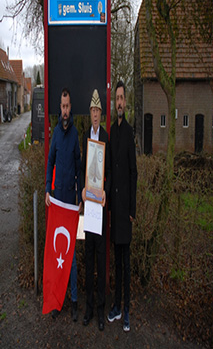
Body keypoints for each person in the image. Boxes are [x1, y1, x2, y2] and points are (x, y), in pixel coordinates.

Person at [45, 87, 82, 321]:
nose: (65, 110)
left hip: (71, 203)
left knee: (72, 256)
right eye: (63, 106)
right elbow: (50, 162)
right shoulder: (56, 134)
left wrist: (79, 197)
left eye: (68, 106)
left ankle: (75, 299)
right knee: (56, 253)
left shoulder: (76, 134)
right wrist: (48, 189)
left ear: (71, 107)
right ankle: (57, 302)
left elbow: (78, 165)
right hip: (57, 201)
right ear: (59, 108)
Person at [107, 80, 137, 332]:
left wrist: (132, 210)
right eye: (116, 98)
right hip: (113, 209)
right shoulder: (111, 132)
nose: (118, 102)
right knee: (116, 261)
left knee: (126, 264)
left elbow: (133, 172)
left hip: (125, 210)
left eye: (121, 98)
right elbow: (108, 170)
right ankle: (116, 306)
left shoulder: (128, 132)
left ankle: (126, 309)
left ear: (126, 102)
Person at [81, 89, 111, 331]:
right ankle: (89, 307)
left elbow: (108, 173)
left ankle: (101, 309)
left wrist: (105, 194)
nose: (95, 114)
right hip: (87, 206)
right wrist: (83, 189)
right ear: (89, 113)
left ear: (101, 114)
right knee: (88, 257)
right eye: (92, 111)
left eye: (98, 111)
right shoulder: (85, 137)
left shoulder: (106, 138)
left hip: (99, 207)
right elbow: (84, 167)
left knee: (100, 260)